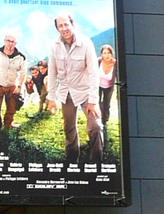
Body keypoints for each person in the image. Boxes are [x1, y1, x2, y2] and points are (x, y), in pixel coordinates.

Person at [48, 12, 103, 169]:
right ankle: (72, 162)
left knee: (96, 126)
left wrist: (93, 101)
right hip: (66, 93)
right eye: (60, 26)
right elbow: (52, 72)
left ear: (72, 24)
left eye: (66, 24)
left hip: (86, 92)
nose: (64, 28)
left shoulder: (86, 44)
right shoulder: (54, 46)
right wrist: (51, 98)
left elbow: (93, 73)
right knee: (69, 129)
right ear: (57, 28)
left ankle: (96, 163)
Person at [0, 34, 27, 134]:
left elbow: (23, 72)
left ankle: (8, 123)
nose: (10, 43)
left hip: (11, 86)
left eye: (13, 42)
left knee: (11, 108)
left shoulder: (21, 57)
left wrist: (19, 86)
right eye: (8, 41)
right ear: (4, 41)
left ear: (15, 43)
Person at [98, 43, 117, 127]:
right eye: (104, 53)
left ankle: (105, 120)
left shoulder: (115, 64)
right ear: (101, 54)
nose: (107, 55)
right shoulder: (98, 62)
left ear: (112, 54)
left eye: (108, 53)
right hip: (98, 85)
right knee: (96, 101)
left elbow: (118, 78)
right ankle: (98, 118)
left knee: (106, 104)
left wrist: (118, 93)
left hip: (109, 87)